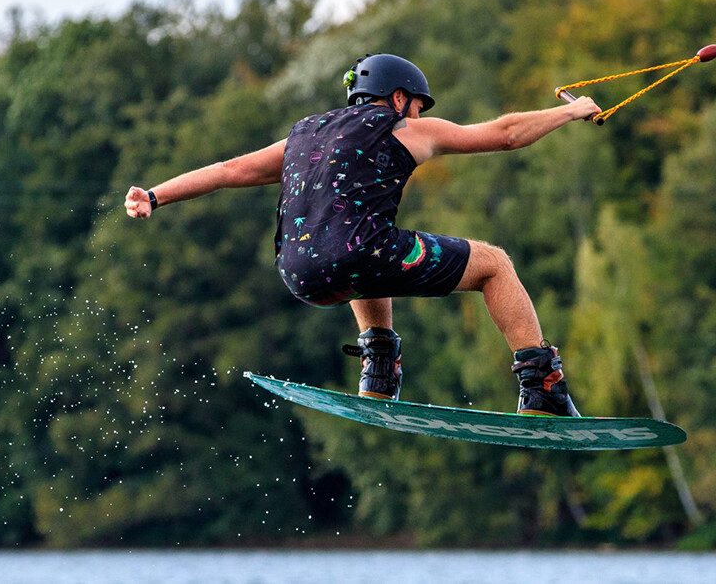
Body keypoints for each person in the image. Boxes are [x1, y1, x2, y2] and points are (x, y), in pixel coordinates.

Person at [125, 53, 600, 417]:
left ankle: (377, 368)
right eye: (415, 105)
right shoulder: (401, 128)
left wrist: (155, 194)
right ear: (397, 98)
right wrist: (571, 111)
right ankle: (542, 386)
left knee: (356, 246)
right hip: (363, 256)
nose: (417, 115)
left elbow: (227, 170)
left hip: (299, 275)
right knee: (493, 264)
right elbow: (507, 133)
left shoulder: (303, 137)